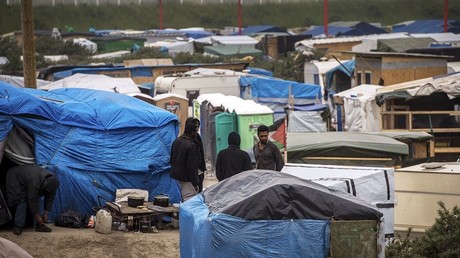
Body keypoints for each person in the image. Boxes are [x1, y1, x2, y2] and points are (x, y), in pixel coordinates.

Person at [6, 165, 60, 235]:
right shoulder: (35, 181)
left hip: (27, 178)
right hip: (15, 177)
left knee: (38, 198)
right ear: (44, 184)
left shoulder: (53, 182)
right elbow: (31, 200)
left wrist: (46, 213)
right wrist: (37, 216)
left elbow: (50, 197)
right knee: (22, 200)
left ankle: (39, 225)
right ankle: (18, 226)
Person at [170, 119, 200, 201]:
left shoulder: (176, 141)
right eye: (195, 132)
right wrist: (195, 183)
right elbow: (191, 167)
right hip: (186, 179)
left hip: (175, 177)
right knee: (189, 202)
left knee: (179, 201)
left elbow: (172, 159)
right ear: (192, 132)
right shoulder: (191, 145)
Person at [185, 117, 207, 193]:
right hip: (189, 173)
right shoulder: (185, 139)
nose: (196, 128)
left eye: (198, 126)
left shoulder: (198, 137)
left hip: (199, 170)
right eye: (195, 126)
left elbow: (201, 152)